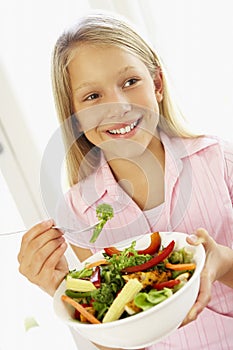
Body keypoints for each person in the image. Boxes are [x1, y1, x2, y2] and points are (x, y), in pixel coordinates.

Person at [18, 11, 233, 350]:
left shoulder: (218, 159)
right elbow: (115, 340)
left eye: (130, 82)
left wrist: (222, 261)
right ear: (74, 118)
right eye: (92, 97)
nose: (117, 106)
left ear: (157, 85)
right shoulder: (77, 210)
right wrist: (66, 292)